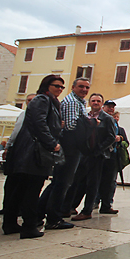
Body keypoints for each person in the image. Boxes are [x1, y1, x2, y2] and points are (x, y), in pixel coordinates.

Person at [1, 75, 63, 239]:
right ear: (47, 85)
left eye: (61, 87)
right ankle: (28, 226)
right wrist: (52, 143)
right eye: (56, 85)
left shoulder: (49, 101)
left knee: (21, 189)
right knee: (31, 190)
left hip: (31, 150)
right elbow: (39, 123)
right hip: (33, 152)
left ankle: (10, 223)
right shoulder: (42, 100)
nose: (59, 89)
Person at [38, 78, 90, 229]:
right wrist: (91, 124)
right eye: (81, 86)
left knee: (60, 182)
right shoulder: (72, 102)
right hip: (70, 147)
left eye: (87, 87)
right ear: (73, 87)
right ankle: (53, 217)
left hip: (72, 147)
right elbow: (71, 126)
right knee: (62, 183)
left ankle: (39, 212)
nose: (84, 90)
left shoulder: (79, 102)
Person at [70, 93, 117, 220]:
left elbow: (111, 137)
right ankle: (71, 206)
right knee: (79, 182)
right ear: (89, 102)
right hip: (84, 154)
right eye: (93, 100)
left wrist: (98, 149)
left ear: (102, 104)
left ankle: (87, 210)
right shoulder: (85, 116)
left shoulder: (107, 118)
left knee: (93, 183)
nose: (95, 103)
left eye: (98, 101)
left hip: (97, 155)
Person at [0, 93, 36, 216]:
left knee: (19, 181)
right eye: (28, 100)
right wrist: (8, 147)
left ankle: (15, 208)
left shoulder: (33, 115)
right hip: (17, 150)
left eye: (33, 100)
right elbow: (15, 132)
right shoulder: (22, 114)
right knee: (12, 181)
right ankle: (8, 207)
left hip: (26, 151)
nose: (30, 102)